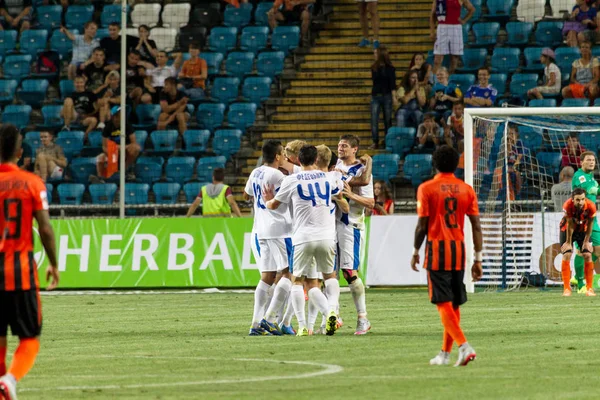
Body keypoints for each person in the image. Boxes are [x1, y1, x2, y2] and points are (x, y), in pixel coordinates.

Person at [0, 124, 59, 400]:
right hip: (20, 273)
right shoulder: (32, 183)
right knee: (29, 338)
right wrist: (54, 263)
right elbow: (45, 229)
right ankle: (10, 379)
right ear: (20, 152)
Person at [411, 145, 483, 367]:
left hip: (437, 251)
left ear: (434, 163)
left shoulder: (427, 188)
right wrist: (478, 258)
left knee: (442, 303)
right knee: (454, 304)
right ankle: (444, 354)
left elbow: (422, 225)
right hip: (459, 251)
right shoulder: (466, 189)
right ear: (456, 164)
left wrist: (415, 250)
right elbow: (476, 225)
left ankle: (464, 346)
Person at [265, 145, 344, 336]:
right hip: (327, 236)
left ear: (298, 161)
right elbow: (339, 194)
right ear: (316, 159)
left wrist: (268, 200)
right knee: (330, 277)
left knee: (297, 281)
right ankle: (331, 311)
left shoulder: (291, 180)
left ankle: (301, 326)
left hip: (302, 237)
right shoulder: (330, 177)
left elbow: (275, 205)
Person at [241, 140, 294, 336]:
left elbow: (246, 195)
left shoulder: (256, 172)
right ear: (278, 156)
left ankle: (255, 324)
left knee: (268, 276)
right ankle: (269, 319)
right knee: (289, 273)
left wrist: (259, 200)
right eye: (282, 154)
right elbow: (285, 201)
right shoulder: (277, 175)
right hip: (279, 229)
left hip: (260, 229)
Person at [336, 135, 374, 335]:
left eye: (344, 146)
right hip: (332, 224)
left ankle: (363, 318)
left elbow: (371, 203)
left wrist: (351, 195)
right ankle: (333, 315)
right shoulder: (336, 165)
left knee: (349, 273)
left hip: (352, 225)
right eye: (339, 145)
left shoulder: (362, 170)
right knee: (329, 273)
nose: (340, 149)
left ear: (355, 149)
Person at [571, 151, 600, 292]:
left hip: (592, 218)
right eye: (588, 160)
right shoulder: (579, 176)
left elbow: (595, 188)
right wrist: (593, 188)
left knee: (598, 248)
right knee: (583, 251)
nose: (592, 162)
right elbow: (588, 189)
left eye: (593, 160)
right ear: (581, 162)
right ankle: (580, 281)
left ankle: (581, 275)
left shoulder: (590, 176)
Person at [559, 188, 597, 297]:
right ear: (572, 199)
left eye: (582, 199)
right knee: (567, 253)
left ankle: (589, 288)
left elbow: (590, 224)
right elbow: (570, 225)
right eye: (577, 200)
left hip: (582, 230)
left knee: (587, 254)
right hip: (567, 229)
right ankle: (567, 289)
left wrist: (586, 242)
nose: (580, 202)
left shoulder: (591, 206)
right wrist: (568, 242)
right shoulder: (567, 206)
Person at [430, 0, 475, 74]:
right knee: (437, 59)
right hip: (442, 27)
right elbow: (432, 15)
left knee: (454, 57)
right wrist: (432, 31)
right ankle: (435, 81)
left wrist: (464, 20)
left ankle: (450, 78)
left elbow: (472, 9)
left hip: (456, 28)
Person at [95, 106, 140, 180]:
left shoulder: (127, 125)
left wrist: (123, 148)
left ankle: (124, 169)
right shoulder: (108, 127)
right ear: (113, 117)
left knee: (136, 148)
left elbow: (134, 143)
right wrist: (111, 153)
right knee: (100, 158)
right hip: (113, 152)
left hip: (126, 151)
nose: (119, 117)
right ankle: (100, 178)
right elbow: (104, 146)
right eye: (118, 115)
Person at [370, 46, 397, 149]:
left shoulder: (390, 68)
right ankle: (375, 141)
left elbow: (392, 84)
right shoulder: (374, 67)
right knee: (374, 120)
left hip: (387, 96)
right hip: (376, 96)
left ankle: (387, 141)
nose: (374, 55)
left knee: (387, 120)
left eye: (376, 53)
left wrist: (394, 97)